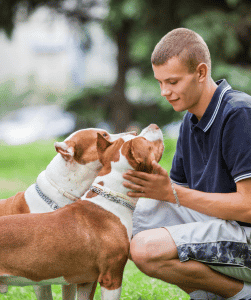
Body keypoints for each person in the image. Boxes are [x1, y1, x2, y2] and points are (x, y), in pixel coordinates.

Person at [123, 28, 251, 300]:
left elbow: (249, 207)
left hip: (246, 234)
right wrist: (148, 173)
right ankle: (208, 296)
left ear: (201, 73)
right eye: (160, 83)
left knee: (145, 248)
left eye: (172, 82)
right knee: (122, 223)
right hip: (221, 227)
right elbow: (173, 201)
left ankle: (241, 295)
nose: (164, 92)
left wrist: (169, 192)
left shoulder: (239, 113)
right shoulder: (189, 121)